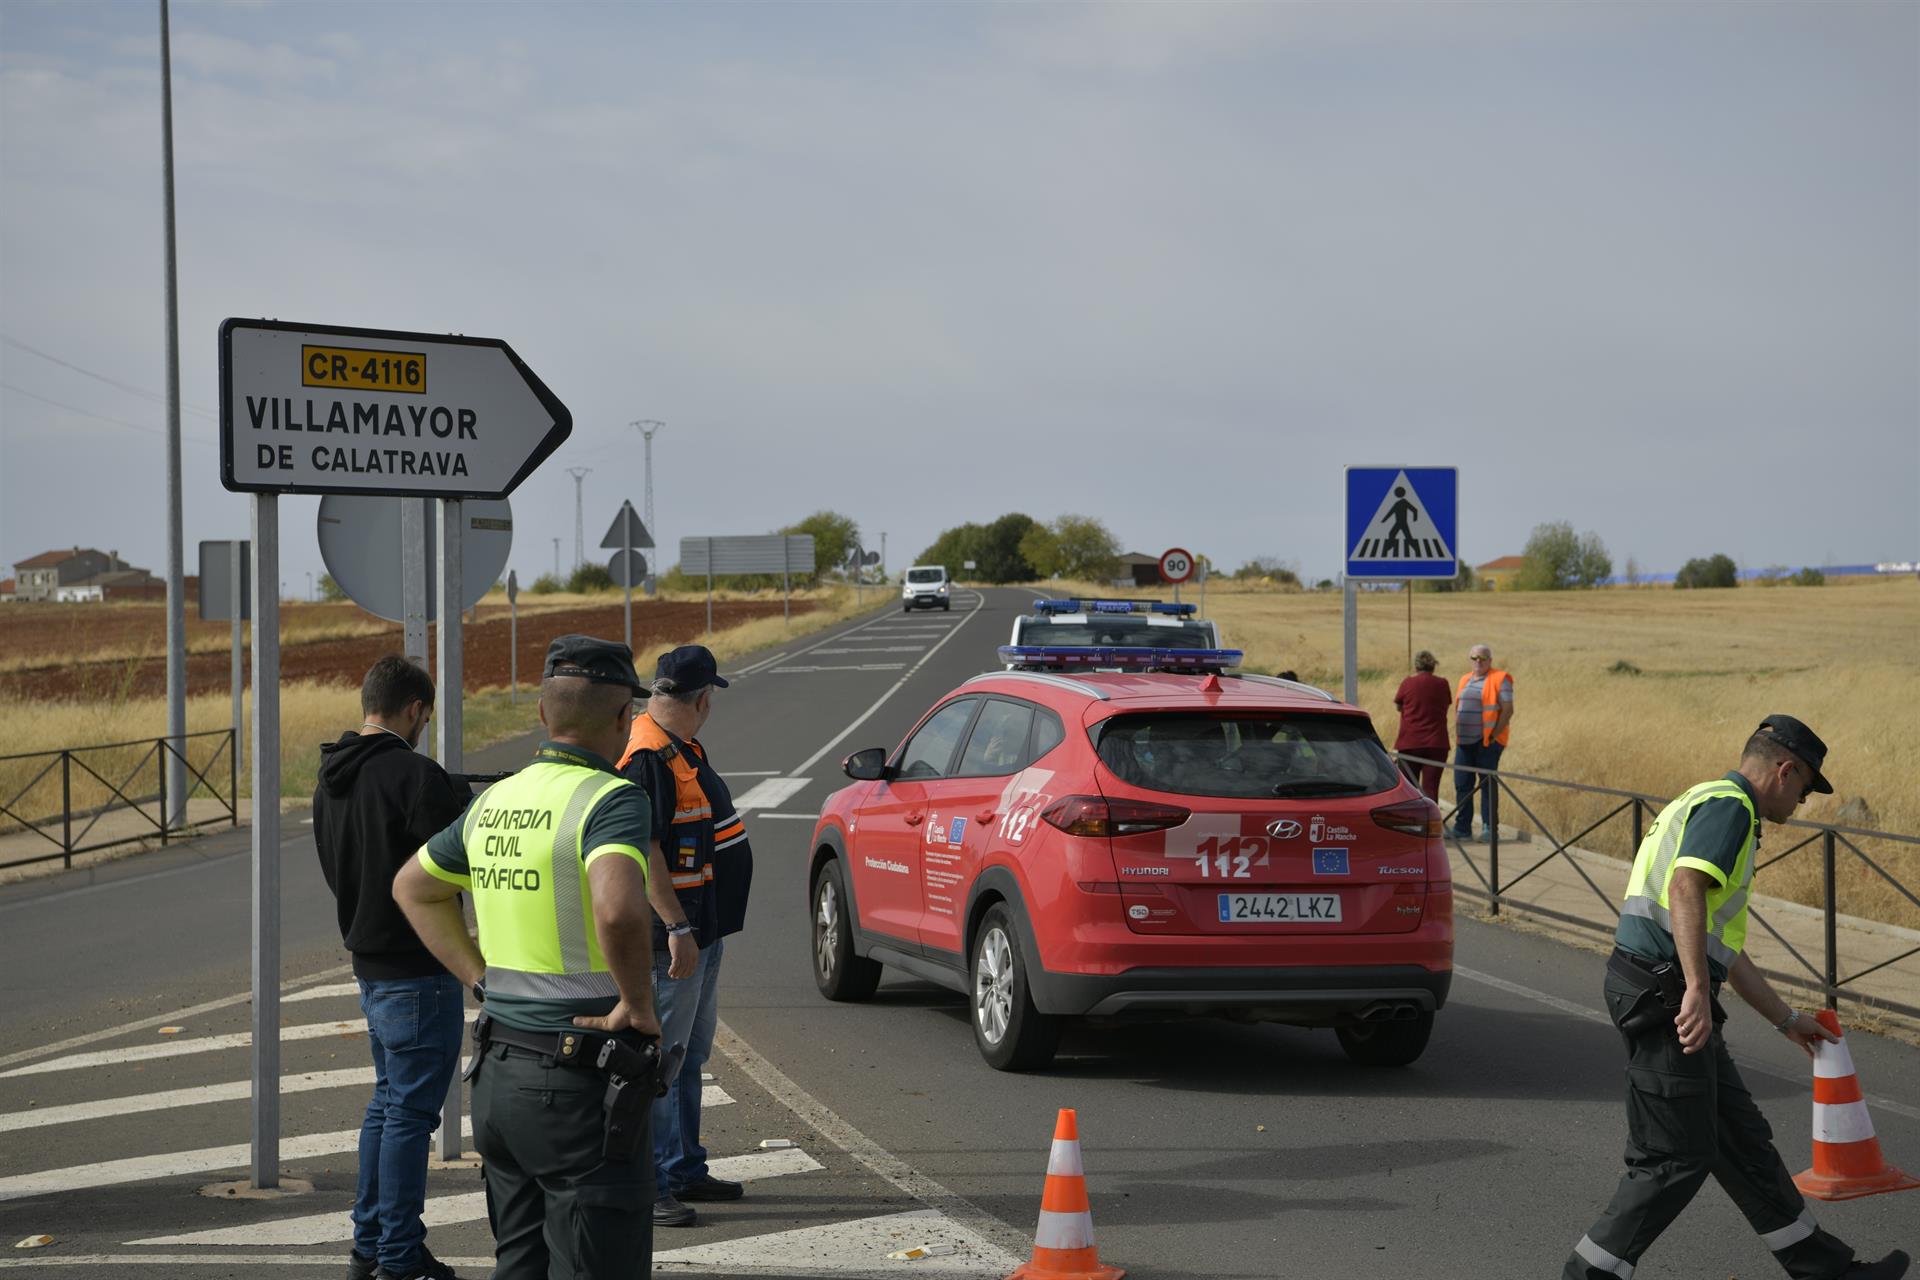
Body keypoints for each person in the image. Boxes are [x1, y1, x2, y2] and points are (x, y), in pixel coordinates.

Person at [1562, 716, 1908, 1280]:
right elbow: (1685, 888)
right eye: (1804, 788)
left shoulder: (1709, 799)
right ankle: (1588, 1275)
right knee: (1674, 1157)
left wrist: (1784, 1018)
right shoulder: (1732, 809)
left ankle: (1825, 1271)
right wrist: (1697, 989)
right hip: (1663, 991)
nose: (1802, 803)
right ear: (1784, 769)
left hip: (1661, 985)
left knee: (1739, 1139)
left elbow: (1721, 941)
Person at [393, 636, 664, 1280]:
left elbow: (414, 887)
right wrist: (638, 1004)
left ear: (543, 715)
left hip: (498, 1076)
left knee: (520, 1263)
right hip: (578, 1086)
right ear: (626, 718)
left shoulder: (495, 800)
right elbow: (621, 909)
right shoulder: (612, 800)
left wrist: (479, 977)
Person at [314, 655, 470, 1280]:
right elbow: (454, 869)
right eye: (425, 716)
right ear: (414, 709)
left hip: (369, 965)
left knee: (386, 1107)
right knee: (409, 1115)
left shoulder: (332, 775)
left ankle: (371, 1245)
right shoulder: (415, 775)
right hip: (419, 968)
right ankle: (399, 1257)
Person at [617, 645, 755, 1228]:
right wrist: (676, 926)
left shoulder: (678, 746)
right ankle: (650, 1183)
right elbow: (646, 849)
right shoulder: (648, 755)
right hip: (673, 939)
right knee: (660, 1064)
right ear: (702, 699)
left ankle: (683, 1166)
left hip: (701, 932)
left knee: (689, 1056)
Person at [1452, 643, 1513, 840]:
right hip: (1464, 743)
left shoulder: (1500, 678)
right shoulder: (1464, 679)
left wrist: (1494, 735)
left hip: (1487, 743)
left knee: (1487, 786)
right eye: (1474, 658)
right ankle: (1463, 829)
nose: (1478, 661)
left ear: (1490, 660)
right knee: (1462, 784)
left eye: (1482, 658)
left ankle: (1489, 828)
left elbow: (1508, 709)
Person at [1392, 649, 1451, 801]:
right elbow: (1446, 705)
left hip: (1410, 743)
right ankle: (1431, 823)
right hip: (1436, 744)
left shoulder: (1408, 683)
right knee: (1431, 788)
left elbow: (1399, 706)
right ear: (1433, 666)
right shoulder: (1442, 684)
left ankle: (1410, 823)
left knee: (1408, 790)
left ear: (1416, 667)